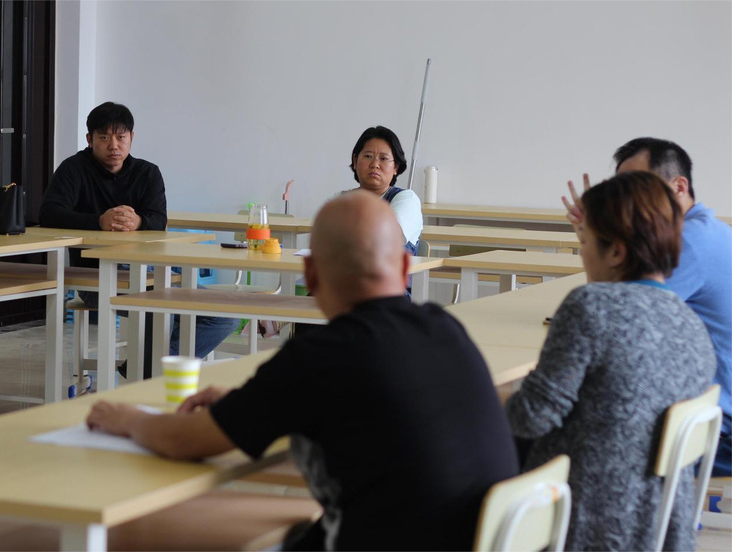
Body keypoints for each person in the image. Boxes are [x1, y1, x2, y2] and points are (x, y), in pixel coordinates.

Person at [86, 191, 519, 551]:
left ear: (309, 274)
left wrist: (127, 416)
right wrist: (243, 405)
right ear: (405, 268)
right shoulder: (446, 328)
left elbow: (184, 440)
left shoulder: (320, 355)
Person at [511, 172, 716, 551]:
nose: (583, 253)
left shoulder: (591, 306)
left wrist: (491, 396)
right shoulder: (690, 325)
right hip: (655, 527)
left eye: (585, 242)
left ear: (617, 253)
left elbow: (531, 418)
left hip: (578, 519)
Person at [563, 137, 732, 477]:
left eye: (639, 186)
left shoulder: (689, 242)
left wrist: (594, 235)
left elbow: (611, 311)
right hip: (706, 410)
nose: (627, 199)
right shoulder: (712, 229)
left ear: (679, 186)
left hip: (712, 428)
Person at [40, 101, 237, 378]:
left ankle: (143, 370)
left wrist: (139, 221)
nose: (113, 145)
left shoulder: (147, 173)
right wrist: (99, 221)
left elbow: (159, 219)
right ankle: (148, 376)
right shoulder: (73, 169)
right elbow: (49, 213)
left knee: (225, 316)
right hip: (96, 278)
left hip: (154, 274)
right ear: (89, 139)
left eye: (121, 137)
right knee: (159, 308)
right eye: (104, 137)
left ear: (132, 137)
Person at [349, 126, 423, 254]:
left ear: (396, 167)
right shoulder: (342, 200)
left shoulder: (406, 199)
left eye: (383, 158)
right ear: (355, 161)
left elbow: (390, 236)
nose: (374, 164)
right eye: (368, 156)